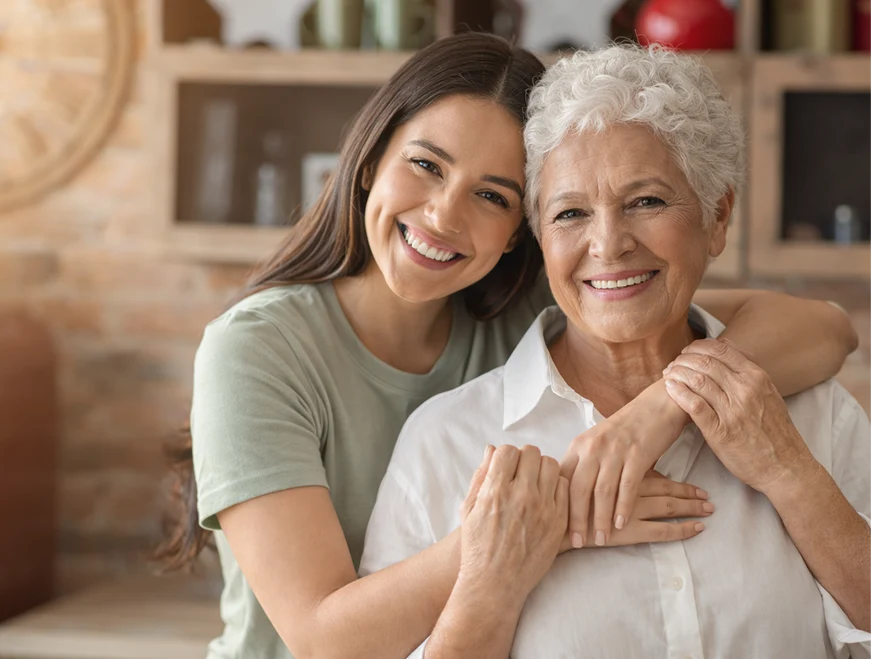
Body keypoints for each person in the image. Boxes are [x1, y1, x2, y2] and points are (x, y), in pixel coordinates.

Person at [160, 34, 860, 659]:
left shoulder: (539, 299)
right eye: (426, 165)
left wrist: (653, 415)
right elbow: (319, 639)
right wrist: (543, 520)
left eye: (492, 196)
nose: (442, 214)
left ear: (518, 232)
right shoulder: (257, 352)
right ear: (368, 159)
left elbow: (820, 326)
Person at [360, 44, 871, 659]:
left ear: (717, 217)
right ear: (540, 239)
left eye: (647, 202)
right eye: (571, 212)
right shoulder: (445, 442)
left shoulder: (817, 416)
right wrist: (495, 576)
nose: (608, 244)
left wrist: (789, 473)